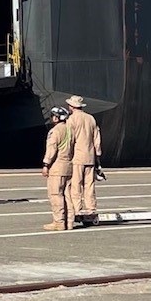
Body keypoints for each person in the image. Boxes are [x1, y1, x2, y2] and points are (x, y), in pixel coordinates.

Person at [67, 94, 102, 226]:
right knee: (89, 185)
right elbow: (97, 139)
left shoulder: (71, 120)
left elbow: (70, 139)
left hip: (77, 157)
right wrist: (97, 155)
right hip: (90, 156)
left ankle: (78, 209)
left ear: (72, 106)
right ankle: (91, 209)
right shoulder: (91, 119)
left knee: (76, 185)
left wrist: (67, 155)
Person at [42, 105, 76, 230]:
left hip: (57, 166)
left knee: (56, 194)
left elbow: (52, 149)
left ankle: (59, 222)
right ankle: (70, 222)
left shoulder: (55, 131)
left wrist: (46, 164)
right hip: (69, 165)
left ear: (56, 118)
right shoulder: (70, 130)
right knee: (68, 195)